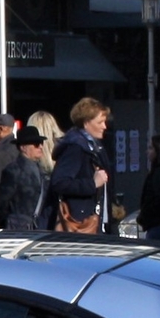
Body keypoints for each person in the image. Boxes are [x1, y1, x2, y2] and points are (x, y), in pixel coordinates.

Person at [49, 97, 111, 232]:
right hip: (80, 221)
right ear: (86, 123)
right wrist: (92, 184)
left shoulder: (94, 147)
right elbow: (59, 182)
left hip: (91, 217)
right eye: (100, 122)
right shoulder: (76, 148)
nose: (104, 126)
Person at [0, 126, 49, 232]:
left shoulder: (42, 171)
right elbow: (1, 202)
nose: (40, 147)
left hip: (39, 227)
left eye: (41, 143)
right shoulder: (13, 171)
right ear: (23, 147)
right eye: (36, 144)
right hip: (18, 228)